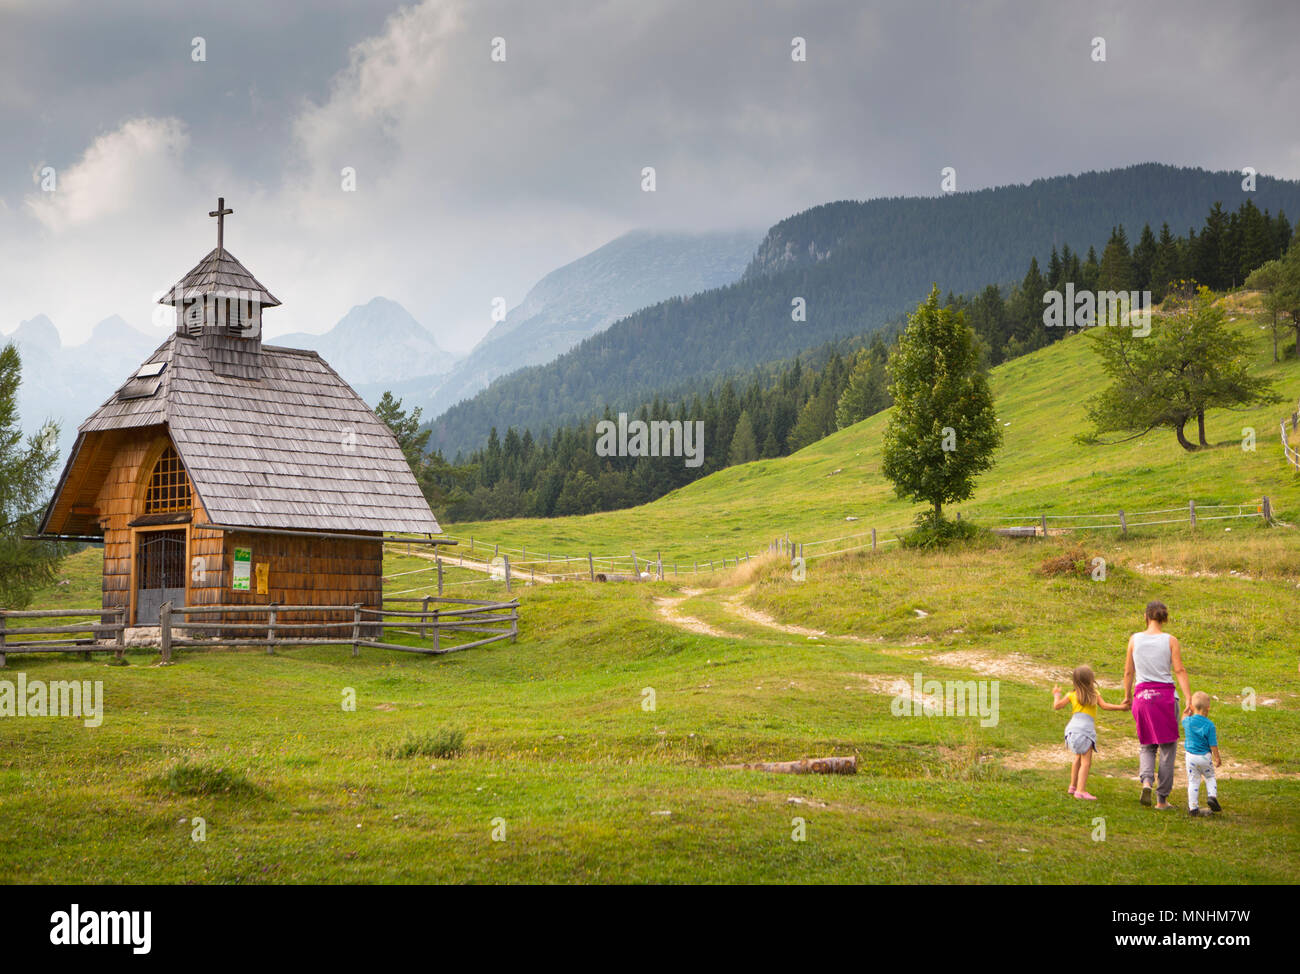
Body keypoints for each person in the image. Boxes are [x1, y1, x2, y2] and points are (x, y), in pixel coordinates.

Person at [1121, 600, 1192, 810]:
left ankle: (1146, 782)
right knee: (1168, 748)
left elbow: (1128, 672)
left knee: (1147, 745)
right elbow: (1179, 670)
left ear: (1146, 617)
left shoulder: (1134, 639)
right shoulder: (1170, 640)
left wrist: (1127, 696)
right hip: (1165, 698)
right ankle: (1162, 800)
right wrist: (1188, 697)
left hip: (1142, 698)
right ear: (1164, 619)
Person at [1053, 664, 1128, 800]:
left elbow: (1057, 706)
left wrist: (1057, 694)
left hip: (1071, 730)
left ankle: (1072, 786)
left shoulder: (1071, 695)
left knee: (1077, 757)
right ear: (1091, 680)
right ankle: (1081, 791)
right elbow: (1105, 706)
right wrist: (1122, 707)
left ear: (1075, 681)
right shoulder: (1094, 695)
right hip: (1085, 731)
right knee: (1086, 762)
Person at [1183, 691, 1222, 816]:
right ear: (1208, 708)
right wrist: (1217, 758)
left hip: (1190, 757)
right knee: (1210, 777)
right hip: (1204, 756)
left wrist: (1187, 711)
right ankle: (1212, 796)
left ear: (1192, 707)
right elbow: (1213, 744)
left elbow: (1183, 718)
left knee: (1193, 781)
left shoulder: (1188, 721)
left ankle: (1193, 808)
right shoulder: (1209, 725)